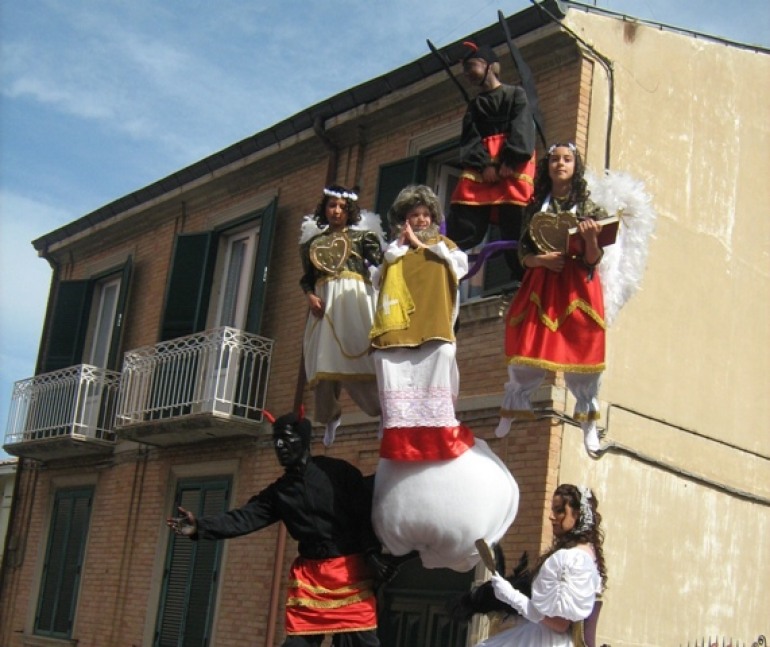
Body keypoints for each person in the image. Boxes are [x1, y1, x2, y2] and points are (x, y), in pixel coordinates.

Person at [369, 184, 519, 572]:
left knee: (435, 369)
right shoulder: (395, 253)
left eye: (424, 214)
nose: (418, 220)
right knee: (396, 376)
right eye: (411, 215)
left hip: (434, 328)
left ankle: (434, 426)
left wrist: (422, 243)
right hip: (398, 331)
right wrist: (399, 249)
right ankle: (399, 425)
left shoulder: (446, 246)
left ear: (433, 217)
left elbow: (459, 268)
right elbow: (375, 279)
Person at [167, 411, 394, 647]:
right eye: (276, 440)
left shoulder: (338, 473)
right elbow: (244, 517)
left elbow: (363, 514)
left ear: (303, 440)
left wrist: (371, 553)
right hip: (310, 581)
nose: (280, 446)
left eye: (286, 439)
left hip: (349, 575)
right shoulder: (280, 492)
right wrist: (199, 527)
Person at [496, 143, 608, 455]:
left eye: (567, 159)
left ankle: (588, 421)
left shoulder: (589, 206)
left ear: (576, 165)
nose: (560, 164)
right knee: (528, 342)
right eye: (555, 159)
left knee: (583, 344)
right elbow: (522, 253)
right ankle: (513, 405)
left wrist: (588, 239)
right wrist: (542, 261)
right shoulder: (534, 206)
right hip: (542, 281)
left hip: (576, 285)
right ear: (547, 166)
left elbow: (593, 259)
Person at [446, 41, 537, 286]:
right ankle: (446, 261)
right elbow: (470, 137)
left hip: (511, 166)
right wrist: (483, 165)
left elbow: (522, 127)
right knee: (464, 212)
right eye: (464, 70)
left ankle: (521, 273)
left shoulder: (516, 94)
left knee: (514, 220)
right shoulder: (475, 105)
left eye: (471, 67)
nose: (466, 74)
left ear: (488, 66)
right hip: (482, 167)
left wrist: (510, 160)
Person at [299, 185, 383, 446]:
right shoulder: (312, 244)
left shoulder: (364, 238)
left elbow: (384, 265)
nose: (336, 211)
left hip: (354, 302)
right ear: (324, 209)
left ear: (350, 212)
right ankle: (330, 417)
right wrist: (310, 296)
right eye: (331, 206)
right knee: (324, 365)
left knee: (359, 360)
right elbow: (307, 280)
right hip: (324, 306)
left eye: (342, 207)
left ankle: (382, 413)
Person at [474, 483, 608, 647]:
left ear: (578, 514)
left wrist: (512, 596)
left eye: (559, 511)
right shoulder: (587, 552)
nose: (552, 516)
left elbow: (559, 624)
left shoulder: (571, 559)